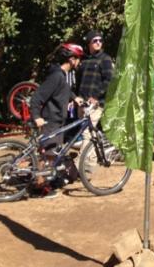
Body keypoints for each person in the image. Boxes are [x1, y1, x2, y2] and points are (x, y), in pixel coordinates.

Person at [29, 43, 86, 196]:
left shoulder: (61, 75)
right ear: (71, 59)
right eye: (78, 58)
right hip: (51, 121)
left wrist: (75, 98)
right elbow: (37, 97)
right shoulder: (56, 76)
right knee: (47, 155)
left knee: (51, 154)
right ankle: (39, 188)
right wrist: (36, 116)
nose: (79, 62)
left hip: (58, 121)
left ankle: (44, 183)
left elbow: (64, 90)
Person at [76, 29, 115, 105]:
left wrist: (95, 96)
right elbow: (79, 82)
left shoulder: (105, 58)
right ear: (89, 43)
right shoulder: (84, 60)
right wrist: (76, 97)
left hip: (96, 104)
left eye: (100, 40)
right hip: (82, 102)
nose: (98, 42)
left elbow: (109, 80)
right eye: (95, 40)